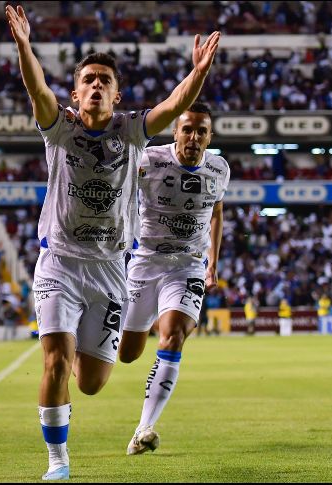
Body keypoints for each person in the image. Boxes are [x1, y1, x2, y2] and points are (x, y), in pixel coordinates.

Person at [5, 4, 220, 479]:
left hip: (110, 271)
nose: (97, 85)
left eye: (105, 79)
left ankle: (67, 399)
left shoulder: (131, 131)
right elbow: (36, 87)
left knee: (92, 383)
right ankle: (58, 461)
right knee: (55, 359)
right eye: (89, 79)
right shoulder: (58, 127)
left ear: (117, 93)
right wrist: (24, 45)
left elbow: (173, 107)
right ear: (76, 92)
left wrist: (197, 73)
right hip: (59, 262)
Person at [117, 103, 230, 455]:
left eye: (201, 132)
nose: (194, 137)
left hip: (188, 267)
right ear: (176, 131)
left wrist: (212, 262)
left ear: (210, 137)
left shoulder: (219, 168)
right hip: (145, 264)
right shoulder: (149, 161)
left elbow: (217, 212)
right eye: (187, 129)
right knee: (127, 354)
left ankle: (144, 428)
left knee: (173, 336)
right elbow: (117, 190)